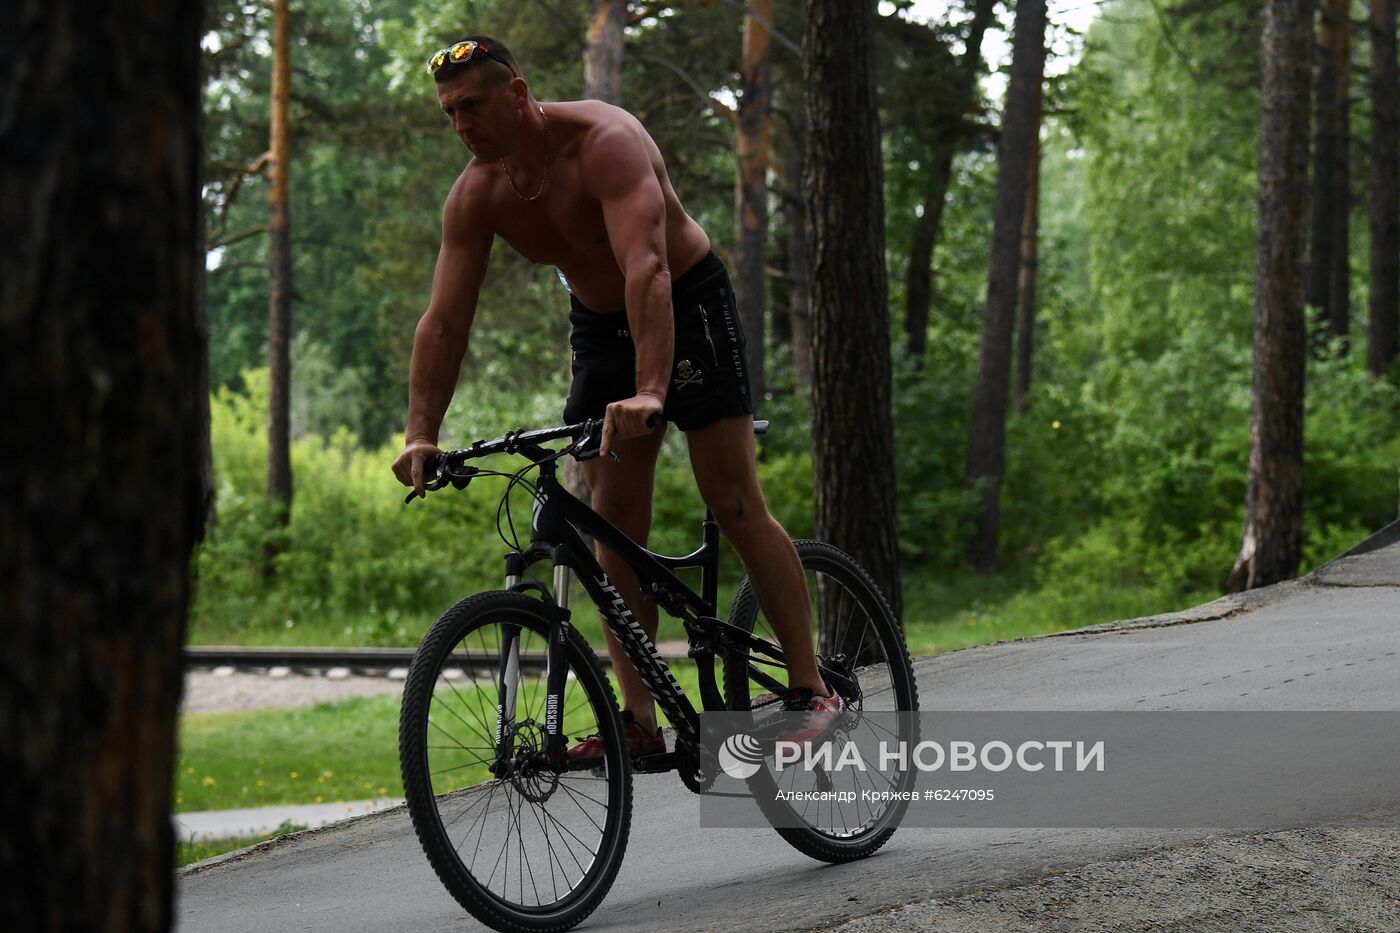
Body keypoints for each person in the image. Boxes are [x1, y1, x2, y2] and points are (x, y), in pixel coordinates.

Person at [390, 36, 841, 756]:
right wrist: (420, 432)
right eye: (449, 113)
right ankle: (640, 722)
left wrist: (652, 390)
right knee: (614, 523)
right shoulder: (478, 194)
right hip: (600, 328)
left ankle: (812, 685)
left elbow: (650, 267)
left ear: (517, 93)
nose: (461, 125)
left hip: (685, 304)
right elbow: (444, 322)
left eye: (472, 105)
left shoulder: (606, 140)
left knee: (731, 498)